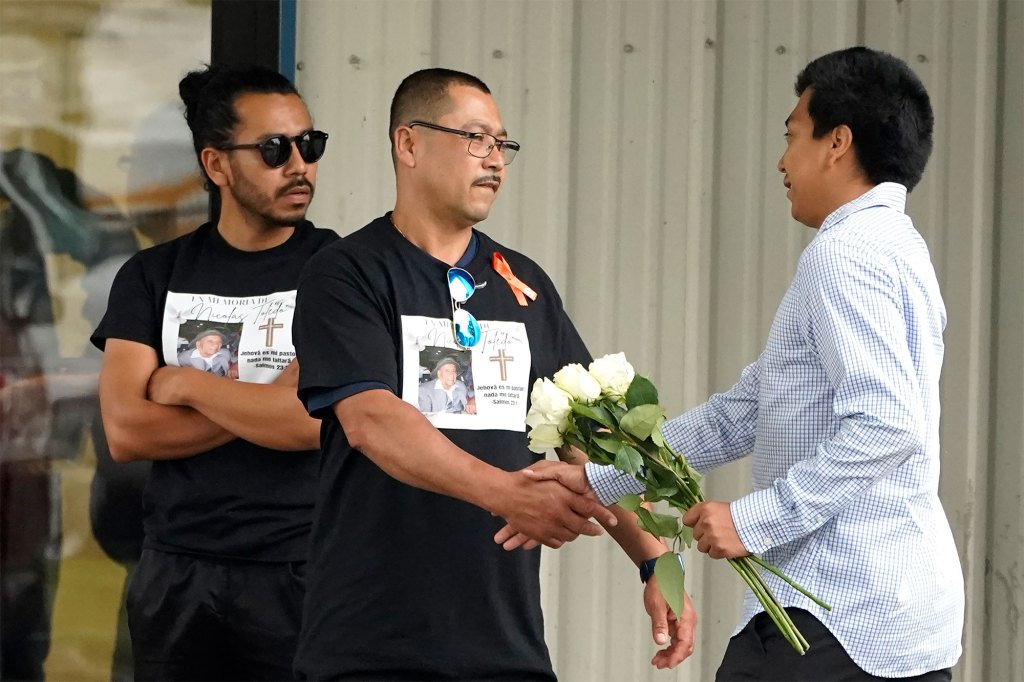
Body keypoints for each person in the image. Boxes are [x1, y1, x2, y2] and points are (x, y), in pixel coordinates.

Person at [551, 47, 963, 681]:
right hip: (893, 608)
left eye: (794, 135)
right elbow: (745, 411)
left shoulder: (845, 255)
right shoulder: (901, 249)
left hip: (837, 610)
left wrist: (753, 519)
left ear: (838, 143)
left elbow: (888, 423)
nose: (781, 160)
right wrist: (598, 479)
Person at [292, 67, 695, 680]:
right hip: (371, 645)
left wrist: (654, 560)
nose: (495, 160)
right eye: (475, 138)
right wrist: (504, 493)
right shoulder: (347, 273)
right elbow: (372, 420)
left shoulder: (524, 283)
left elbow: (588, 438)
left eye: (502, 144)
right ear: (409, 143)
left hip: (505, 645)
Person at [90, 64, 338, 680]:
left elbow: (315, 421)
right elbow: (127, 431)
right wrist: (268, 401)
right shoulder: (152, 275)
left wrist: (188, 386)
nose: (299, 166)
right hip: (176, 571)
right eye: (274, 150)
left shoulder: (342, 272)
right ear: (216, 164)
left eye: (310, 145)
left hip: (304, 569)